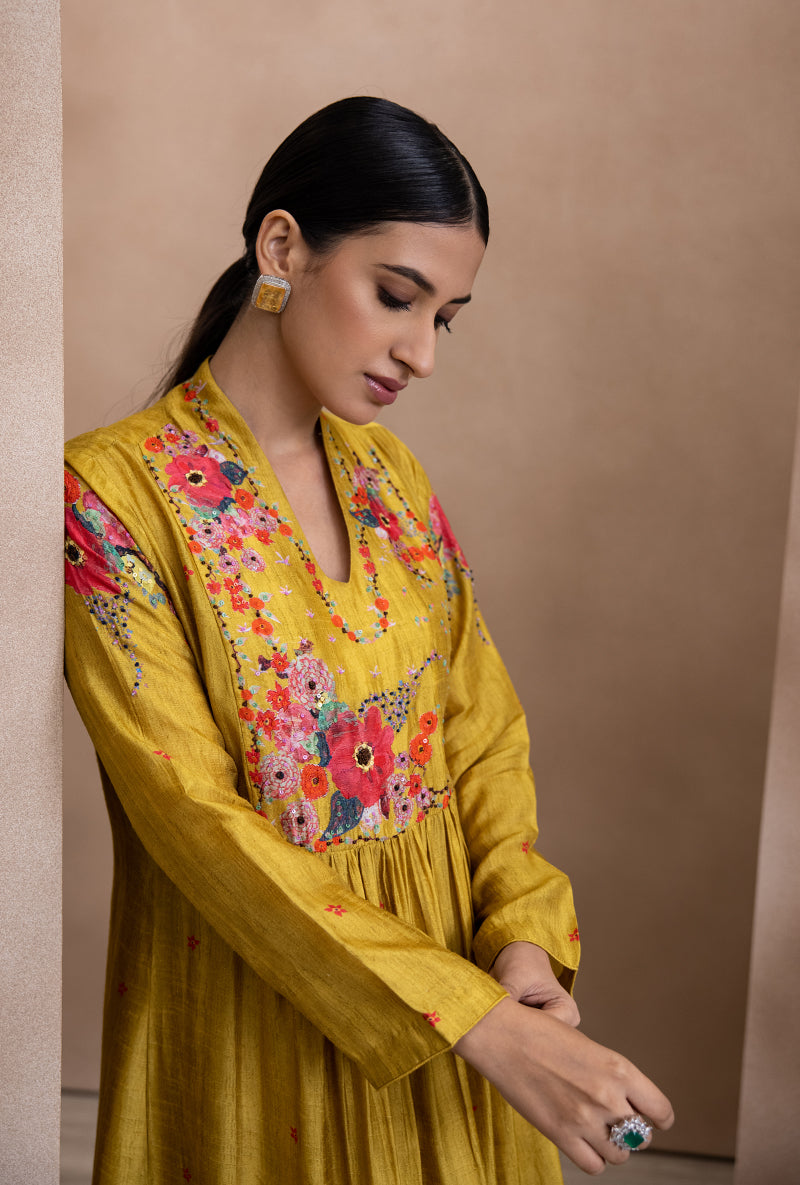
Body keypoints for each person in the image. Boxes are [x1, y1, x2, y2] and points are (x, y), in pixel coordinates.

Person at [64, 96, 673, 1184]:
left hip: (466, 1009)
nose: (421, 354)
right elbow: (193, 818)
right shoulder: (109, 498)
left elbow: (481, 732)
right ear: (281, 247)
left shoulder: (389, 478)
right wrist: (472, 1021)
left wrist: (520, 946)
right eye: (396, 296)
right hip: (258, 1009)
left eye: (446, 318)